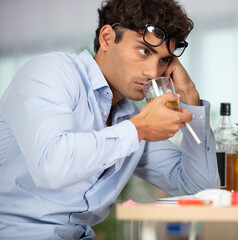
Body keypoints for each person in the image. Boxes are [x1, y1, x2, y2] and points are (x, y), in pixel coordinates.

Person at [0, 0, 219, 239]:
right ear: (107, 38)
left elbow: (199, 191)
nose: (153, 73)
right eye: (144, 51)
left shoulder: (130, 118)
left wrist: (190, 96)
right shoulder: (50, 73)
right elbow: (51, 166)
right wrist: (139, 128)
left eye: (164, 60)